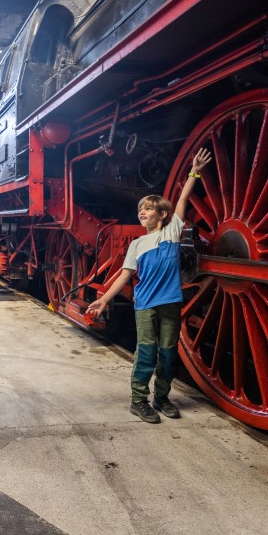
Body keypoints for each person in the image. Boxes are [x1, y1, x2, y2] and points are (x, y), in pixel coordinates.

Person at [87, 147, 213, 423]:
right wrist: (104, 299)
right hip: (145, 305)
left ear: (163, 214)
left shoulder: (172, 232)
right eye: (140, 209)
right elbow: (124, 276)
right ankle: (139, 400)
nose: (141, 212)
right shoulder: (137, 245)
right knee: (146, 353)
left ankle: (162, 397)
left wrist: (194, 172)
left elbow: (182, 199)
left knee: (168, 355)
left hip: (170, 303)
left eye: (147, 208)